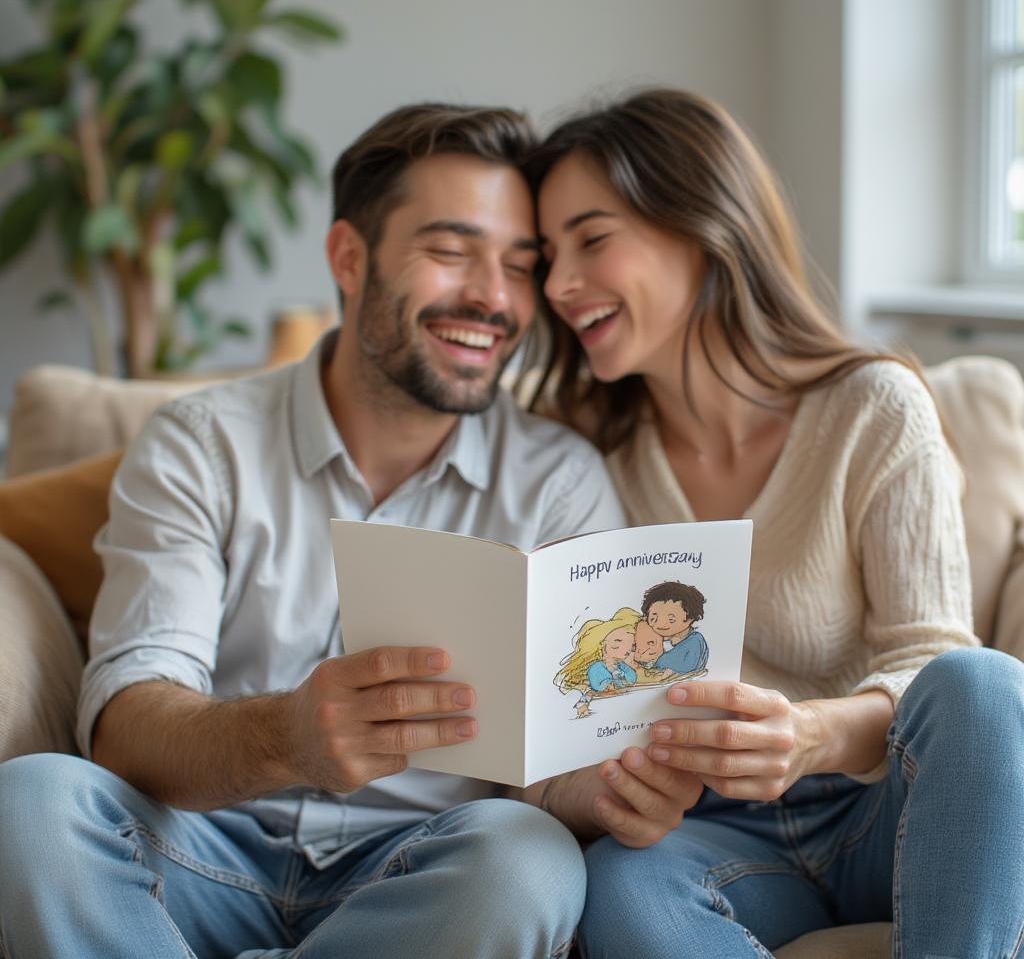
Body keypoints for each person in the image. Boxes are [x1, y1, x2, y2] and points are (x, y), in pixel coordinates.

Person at [0, 103, 643, 959]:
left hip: (414, 877)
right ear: (349, 256)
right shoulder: (203, 443)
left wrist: (608, 789)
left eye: (521, 267)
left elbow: (557, 765)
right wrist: (286, 737)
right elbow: (124, 720)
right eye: (451, 251)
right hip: (195, 853)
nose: (493, 298)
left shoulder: (562, 483)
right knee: (34, 803)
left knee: (530, 862)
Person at [531, 88, 1024, 957]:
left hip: (883, 807)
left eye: (592, 239)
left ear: (702, 225)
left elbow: (930, 658)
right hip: (721, 838)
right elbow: (558, 713)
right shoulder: (583, 458)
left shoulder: (873, 409)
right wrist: (603, 791)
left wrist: (811, 736)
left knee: (984, 684)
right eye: (546, 256)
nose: (559, 286)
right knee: (618, 889)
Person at [642, 580, 709, 676]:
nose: (660, 625)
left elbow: (676, 667)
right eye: (654, 618)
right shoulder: (663, 640)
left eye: (671, 619)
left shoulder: (694, 641)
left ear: (690, 618)